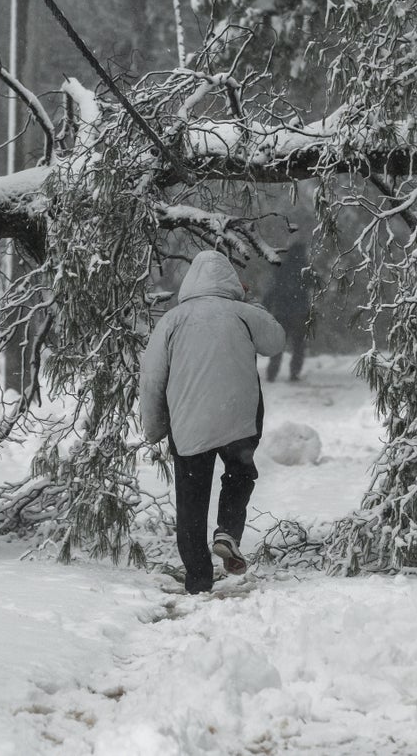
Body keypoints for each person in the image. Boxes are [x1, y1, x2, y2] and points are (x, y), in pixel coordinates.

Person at [139, 250, 285, 593]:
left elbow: (152, 378)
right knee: (240, 473)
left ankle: (198, 579)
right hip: (239, 419)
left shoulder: (172, 320)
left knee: (192, 497)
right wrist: (252, 306)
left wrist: (154, 427)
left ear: (191, 283)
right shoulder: (243, 313)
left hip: (188, 422)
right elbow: (276, 342)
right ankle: (227, 531)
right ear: (230, 281)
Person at [262, 240, 312, 382]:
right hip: (300, 313)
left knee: (278, 345)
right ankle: (294, 373)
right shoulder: (305, 269)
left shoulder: (281, 267)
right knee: (298, 346)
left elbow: (273, 288)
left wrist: (266, 305)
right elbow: (316, 284)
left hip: (281, 312)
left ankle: (272, 373)